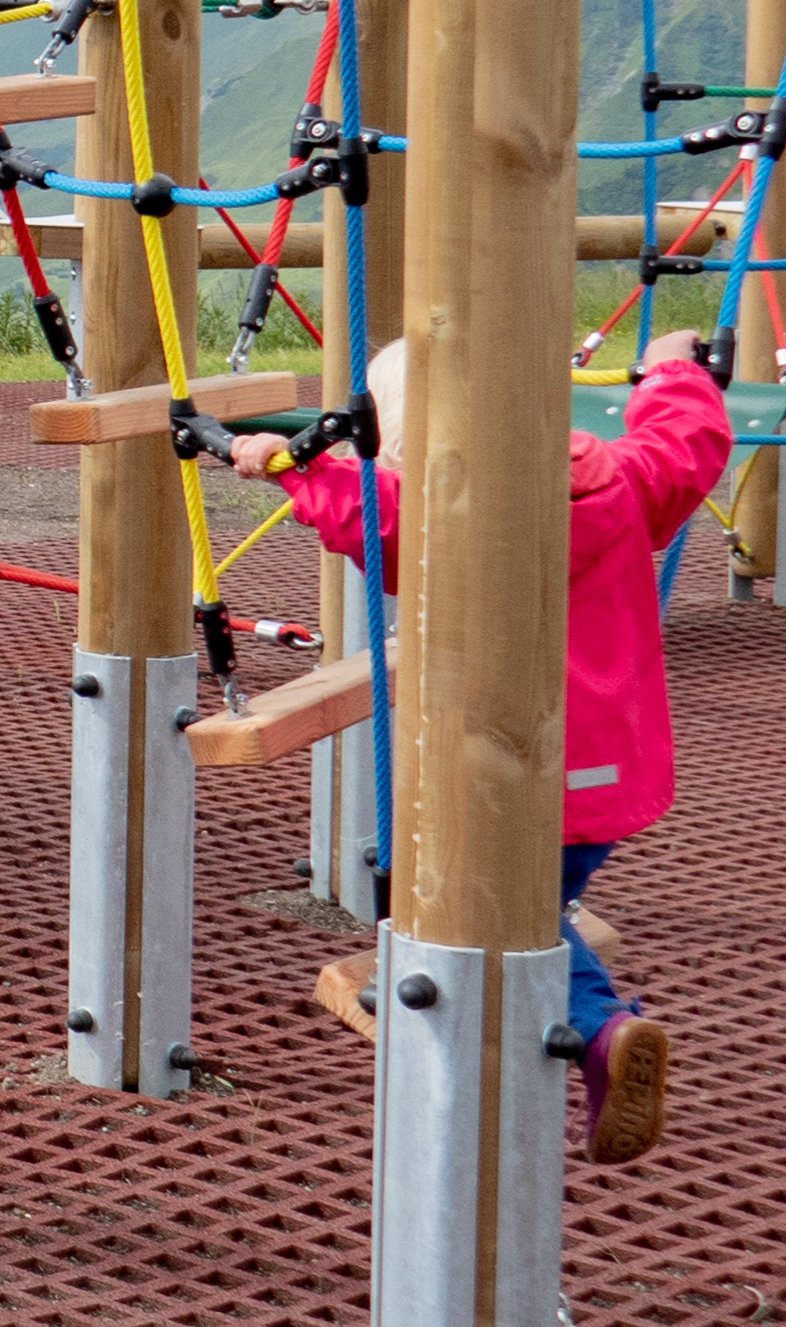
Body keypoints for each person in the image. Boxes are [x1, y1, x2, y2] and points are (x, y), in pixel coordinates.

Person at [234, 331, 730, 1164]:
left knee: (505, 919)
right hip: (607, 775)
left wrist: (280, 463)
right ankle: (587, 1026)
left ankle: (600, 1029)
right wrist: (674, 368)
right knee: (535, 906)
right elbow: (685, 446)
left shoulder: (440, 507)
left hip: (503, 776)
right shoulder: (619, 476)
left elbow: (360, 512)